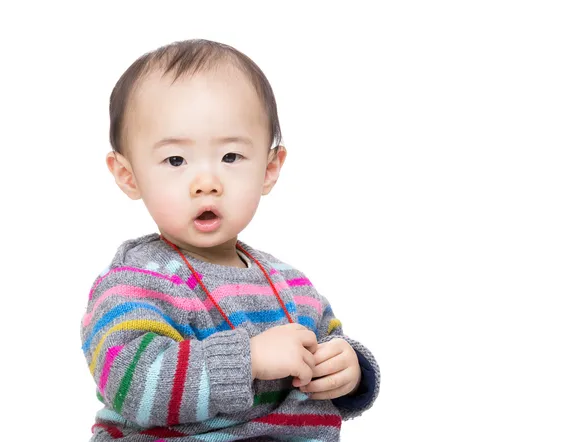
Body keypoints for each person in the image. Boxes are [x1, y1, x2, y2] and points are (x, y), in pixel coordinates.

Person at [80, 38, 380, 441]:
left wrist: (348, 370)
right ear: (128, 175)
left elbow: (330, 341)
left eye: (231, 157)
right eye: (175, 160)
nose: (207, 183)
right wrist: (247, 359)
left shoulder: (293, 286)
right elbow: (131, 383)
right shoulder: (135, 283)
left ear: (270, 168)